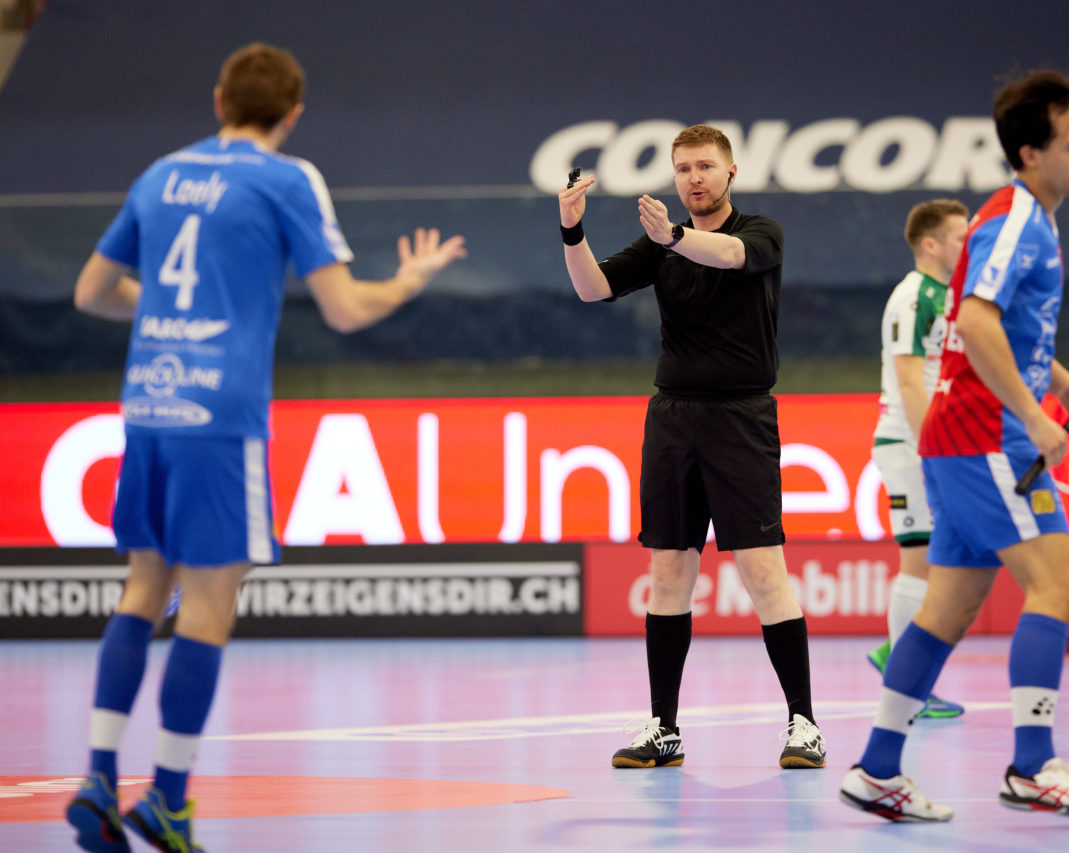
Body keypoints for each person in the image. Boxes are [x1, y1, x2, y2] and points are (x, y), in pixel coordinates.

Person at [65, 43, 466, 853]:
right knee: (210, 604)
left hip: (147, 404)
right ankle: (169, 797)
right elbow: (346, 309)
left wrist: (158, 319)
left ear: (217, 99)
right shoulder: (288, 178)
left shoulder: (159, 174)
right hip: (219, 415)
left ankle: (99, 776)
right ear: (293, 114)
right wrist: (409, 282)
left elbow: (90, 293)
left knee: (143, 589)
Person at [839, 70, 1069, 821]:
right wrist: (1034, 417)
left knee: (945, 612)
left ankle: (877, 768)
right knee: (1058, 585)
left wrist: (1058, 384)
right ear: (1030, 152)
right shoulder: (1015, 219)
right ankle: (1033, 766)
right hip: (982, 433)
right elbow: (976, 319)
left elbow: (1014, 326)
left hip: (971, 433)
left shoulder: (1038, 215)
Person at [558, 124, 825, 770]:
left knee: (764, 572)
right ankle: (664, 727)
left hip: (742, 419)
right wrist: (572, 230)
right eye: (682, 169)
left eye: (705, 166)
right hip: (673, 420)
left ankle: (804, 723)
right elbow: (591, 287)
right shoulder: (661, 245)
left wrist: (674, 238)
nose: (693, 178)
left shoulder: (760, 233)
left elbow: (729, 257)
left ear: (731, 172)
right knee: (669, 571)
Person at [867, 199, 970, 719]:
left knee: (934, 563)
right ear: (930, 244)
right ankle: (905, 682)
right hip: (910, 445)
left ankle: (894, 657)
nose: (968, 244)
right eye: (959, 236)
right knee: (918, 558)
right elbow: (909, 380)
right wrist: (934, 447)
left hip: (932, 443)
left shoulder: (951, 297)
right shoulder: (913, 298)